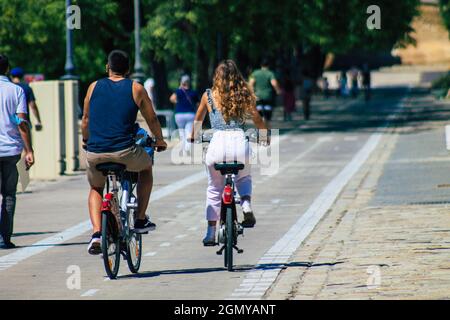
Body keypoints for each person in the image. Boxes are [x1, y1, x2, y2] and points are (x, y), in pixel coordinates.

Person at [81, 50, 167, 255]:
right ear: (128, 70)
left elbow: (85, 120)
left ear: (107, 67)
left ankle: (96, 234)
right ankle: (139, 218)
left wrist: (86, 141)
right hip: (125, 151)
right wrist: (160, 140)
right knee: (146, 168)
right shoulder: (136, 88)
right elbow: (152, 119)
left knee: (95, 188)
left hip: (95, 152)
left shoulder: (93, 87)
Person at [189, 60, 268, 246]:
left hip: (217, 144)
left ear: (216, 76)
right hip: (240, 142)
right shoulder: (243, 94)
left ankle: (210, 232)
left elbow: (198, 119)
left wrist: (193, 136)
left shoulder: (208, 96)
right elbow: (256, 118)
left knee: (214, 188)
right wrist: (265, 135)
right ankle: (246, 205)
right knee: (244, 177)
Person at [0, 54, 34, 249]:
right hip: (11, 150)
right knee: (9, 194)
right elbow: (21, 122)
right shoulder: (17, 90)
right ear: (7, 69)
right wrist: (29, 150)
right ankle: (5, 238)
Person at [170, 75, 199, 156]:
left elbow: (172, 98)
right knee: (189, 132)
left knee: (182, 132)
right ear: (189, 82)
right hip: (190, 114)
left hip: (179, 114)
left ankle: (182, 149)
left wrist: (178, 103)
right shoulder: (193, 92)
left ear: (181, 82)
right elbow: (198, 104)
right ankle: (187, 149)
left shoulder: (178, 91)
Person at [249, 59, 281, 124]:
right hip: (268, 96)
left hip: (257, 96)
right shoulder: (270, 73)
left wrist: (252, 93)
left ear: (261, 65)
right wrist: (278, 90)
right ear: (268, 65)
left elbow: (251, 84)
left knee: (259, 111)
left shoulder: (255, 73)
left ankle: (261, 125)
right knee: (267, 112)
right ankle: (266, 123)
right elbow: (274, 83)